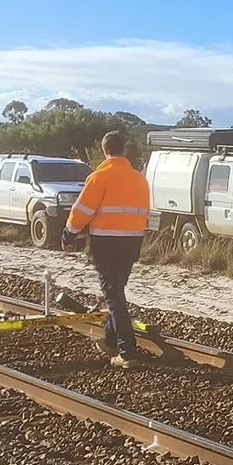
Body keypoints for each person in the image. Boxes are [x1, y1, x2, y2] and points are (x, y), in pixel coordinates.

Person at [63, 131, 150, 367]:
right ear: (124, 150)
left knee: (113, 296)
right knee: (116, 292)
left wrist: (69, 233)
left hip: (105, 243)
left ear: (104, 150)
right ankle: (110, 340)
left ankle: (127, 352)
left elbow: (81, 210)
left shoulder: (99, 177)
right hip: (133, 242)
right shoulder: (139, 179)